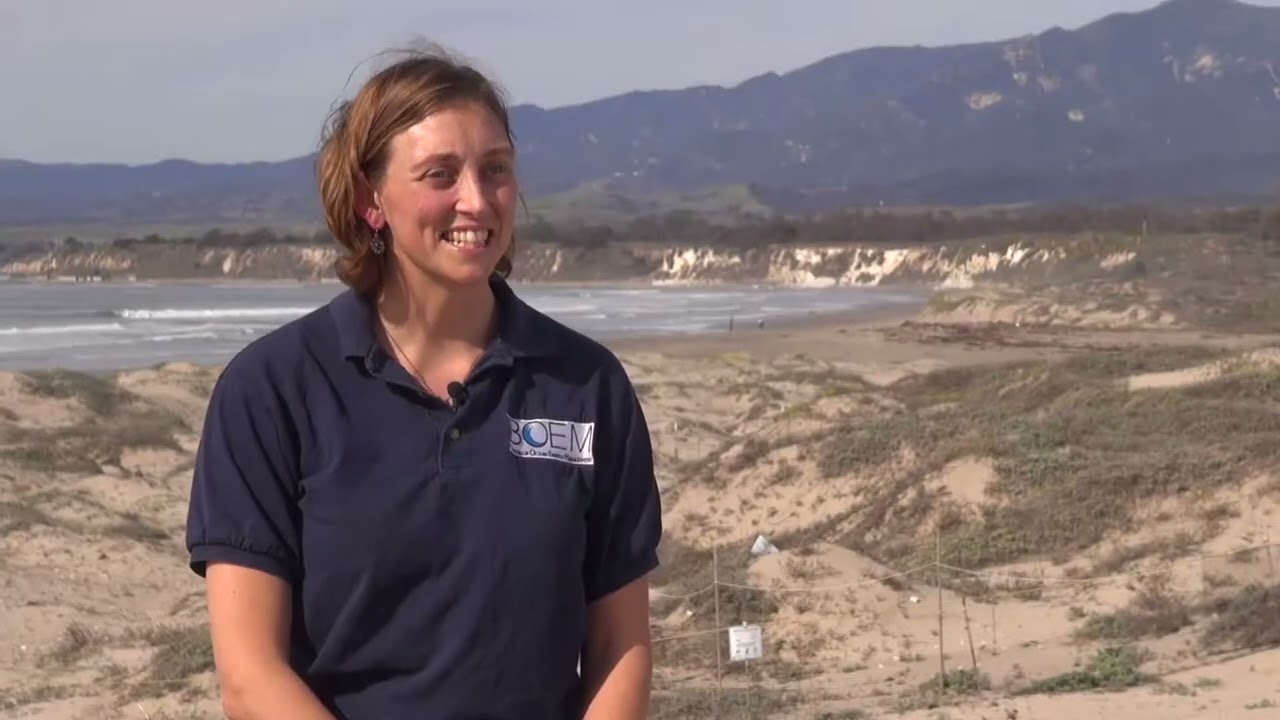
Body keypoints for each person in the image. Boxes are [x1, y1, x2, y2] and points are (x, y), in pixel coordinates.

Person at [184, 45, 663, 720]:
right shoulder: (272, 391)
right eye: (441, 174)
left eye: (495, 170)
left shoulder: (585, 384)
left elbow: (620, 645)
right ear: (369, 198)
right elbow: (249, 674)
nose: (476, 199)